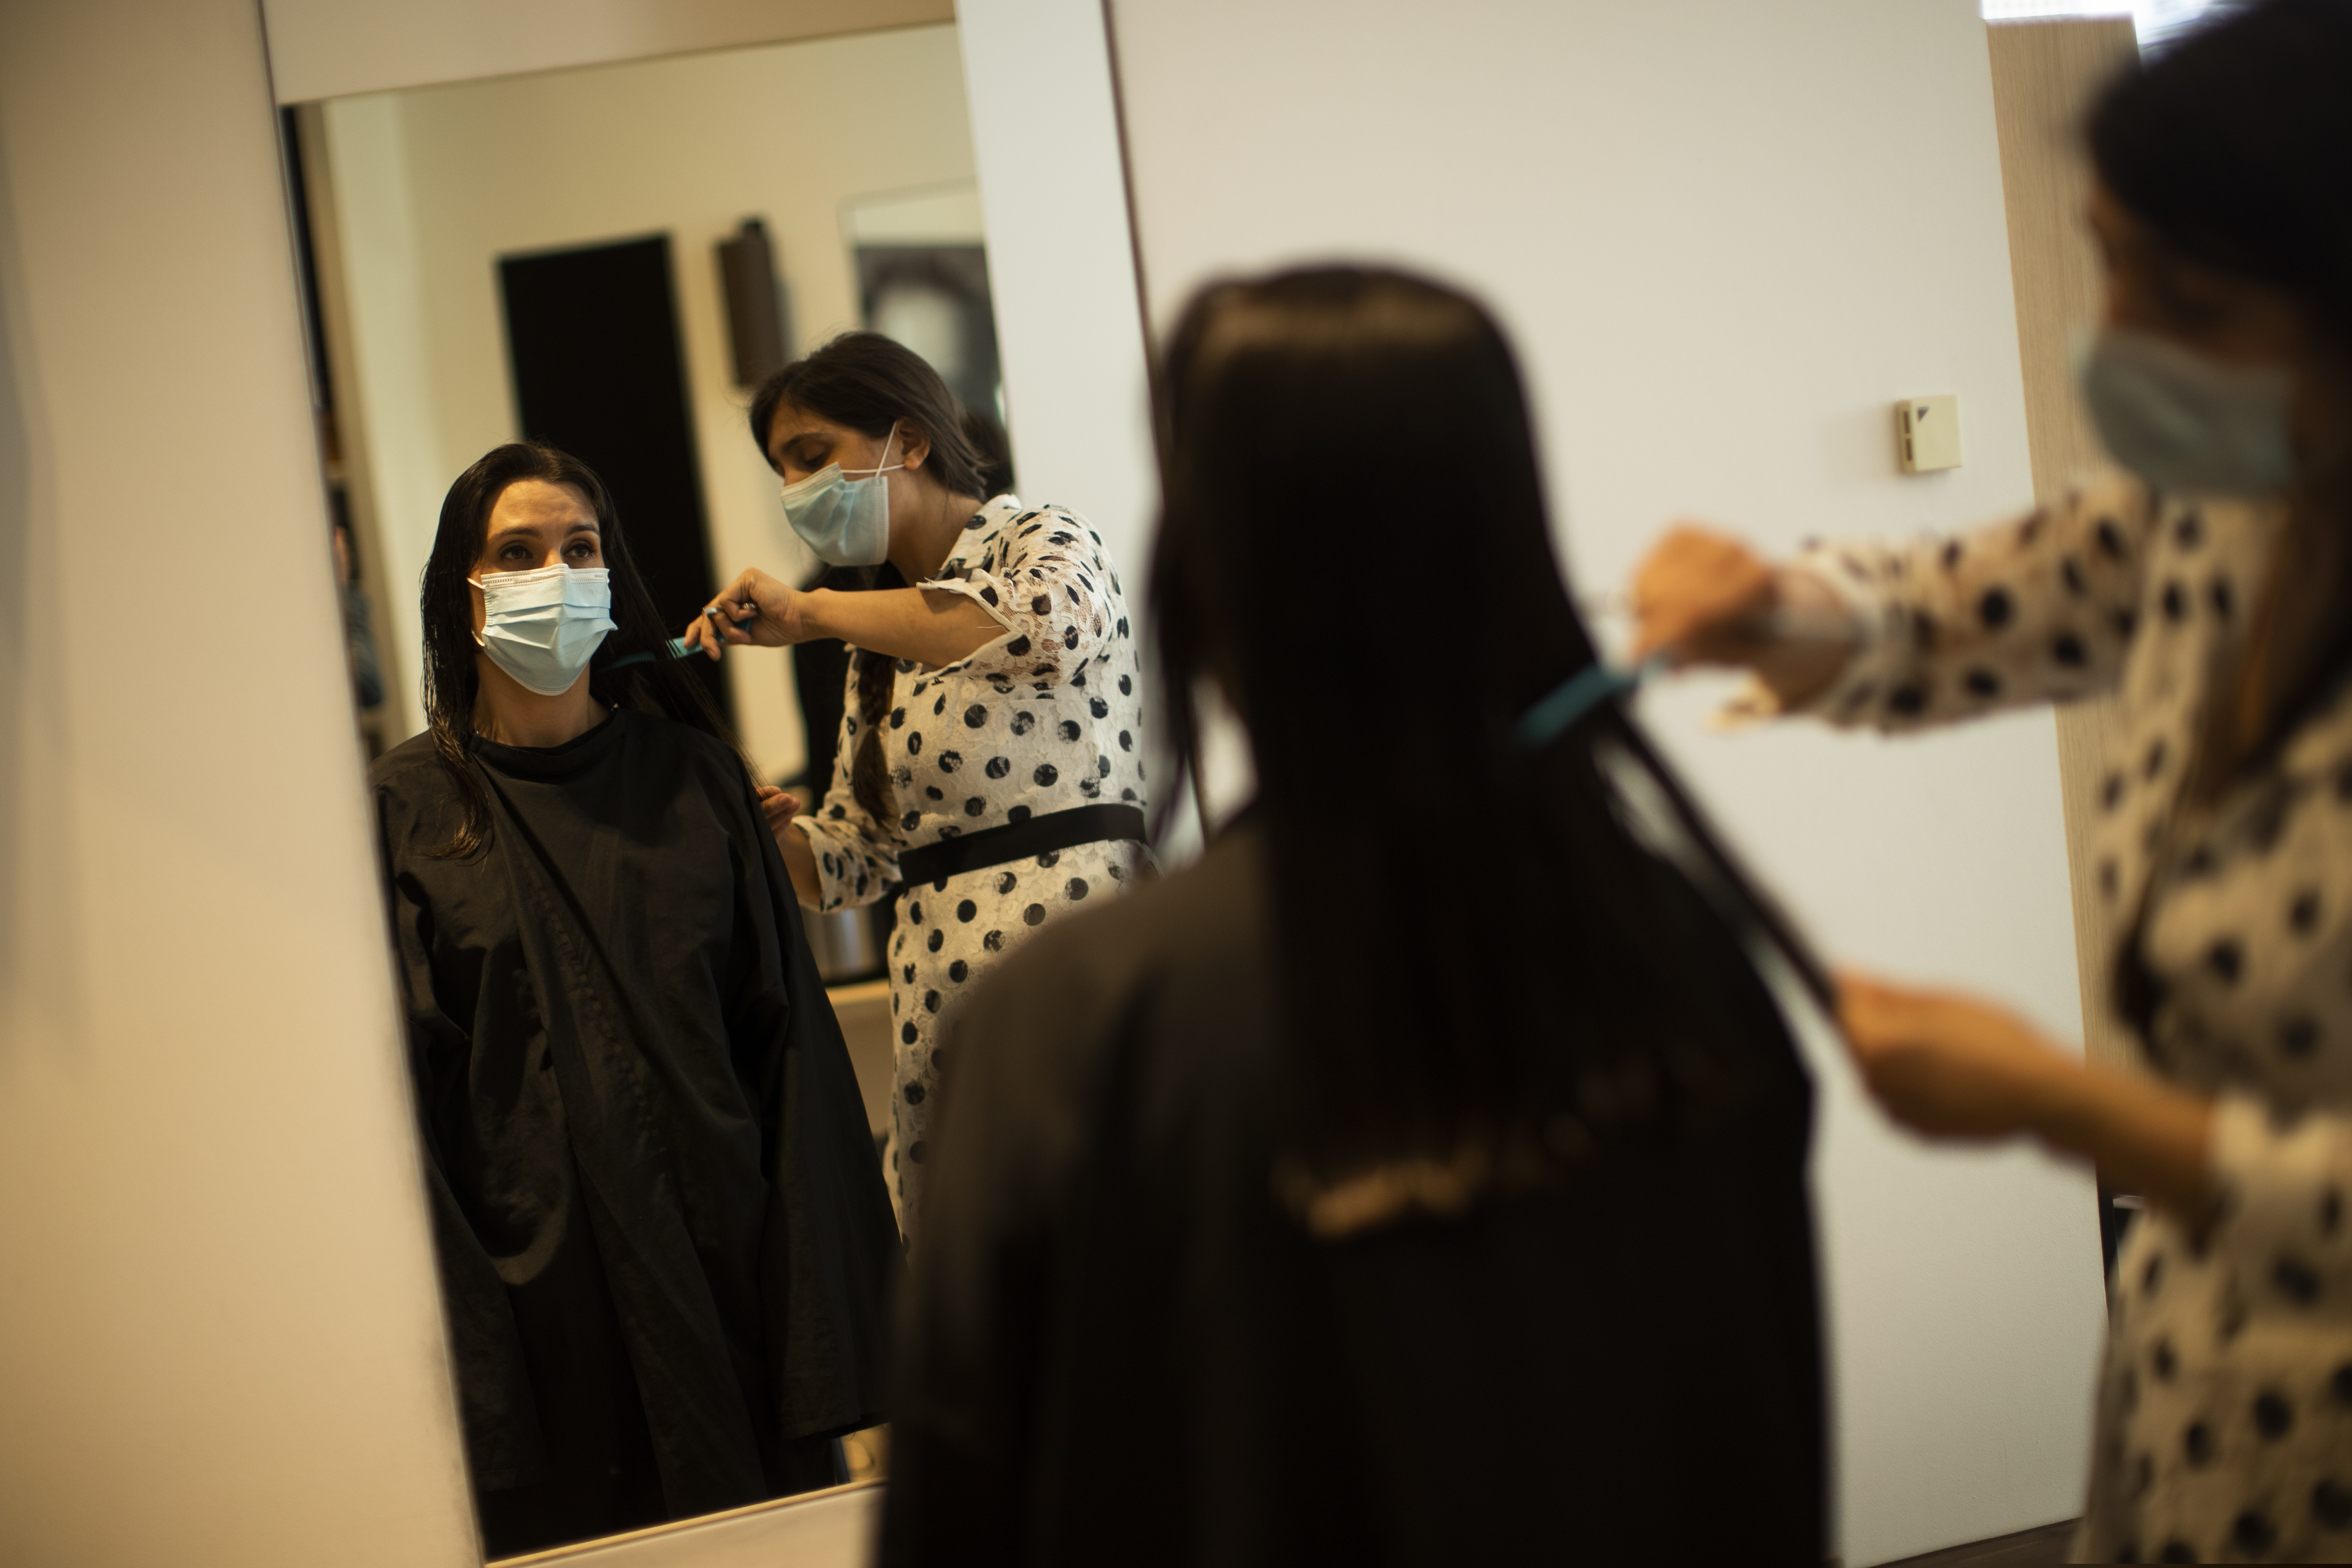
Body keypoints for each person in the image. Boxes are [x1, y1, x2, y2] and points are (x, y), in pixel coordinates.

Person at [878, 268, 1828, 1564]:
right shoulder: (1689, 954)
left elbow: (961, 1507)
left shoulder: (1075, 1024)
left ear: (1202, 590)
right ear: (1517, 559)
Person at [1631, 3, 2352, 1558]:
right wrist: (1772, 601)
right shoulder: (2218, 513)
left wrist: (2061, 1105)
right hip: (2193, 1397)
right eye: (2108, 264)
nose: (2121, 342)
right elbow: (1954, 605)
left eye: (2195, 301)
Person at [370, 443, 900, 1557]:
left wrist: (827, 1352)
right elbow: (400, 1132)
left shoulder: (697, 781)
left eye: (580, 548)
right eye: (517, 553)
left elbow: (793, 1067)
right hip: (543, 1327)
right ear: (459, 590)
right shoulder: (403, 814)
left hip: (733, 1297)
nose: (555, 574)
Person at [683, 332, 1149, 1236]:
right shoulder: (875, 651)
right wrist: (757, 820)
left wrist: (810, 613)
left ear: (911, 439)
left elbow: (1039, 628)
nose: (796, 491)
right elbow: (855, 857)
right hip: (941, 999)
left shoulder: (1042, 538)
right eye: (782, 470)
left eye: (813, 457)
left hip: (1077, 957)